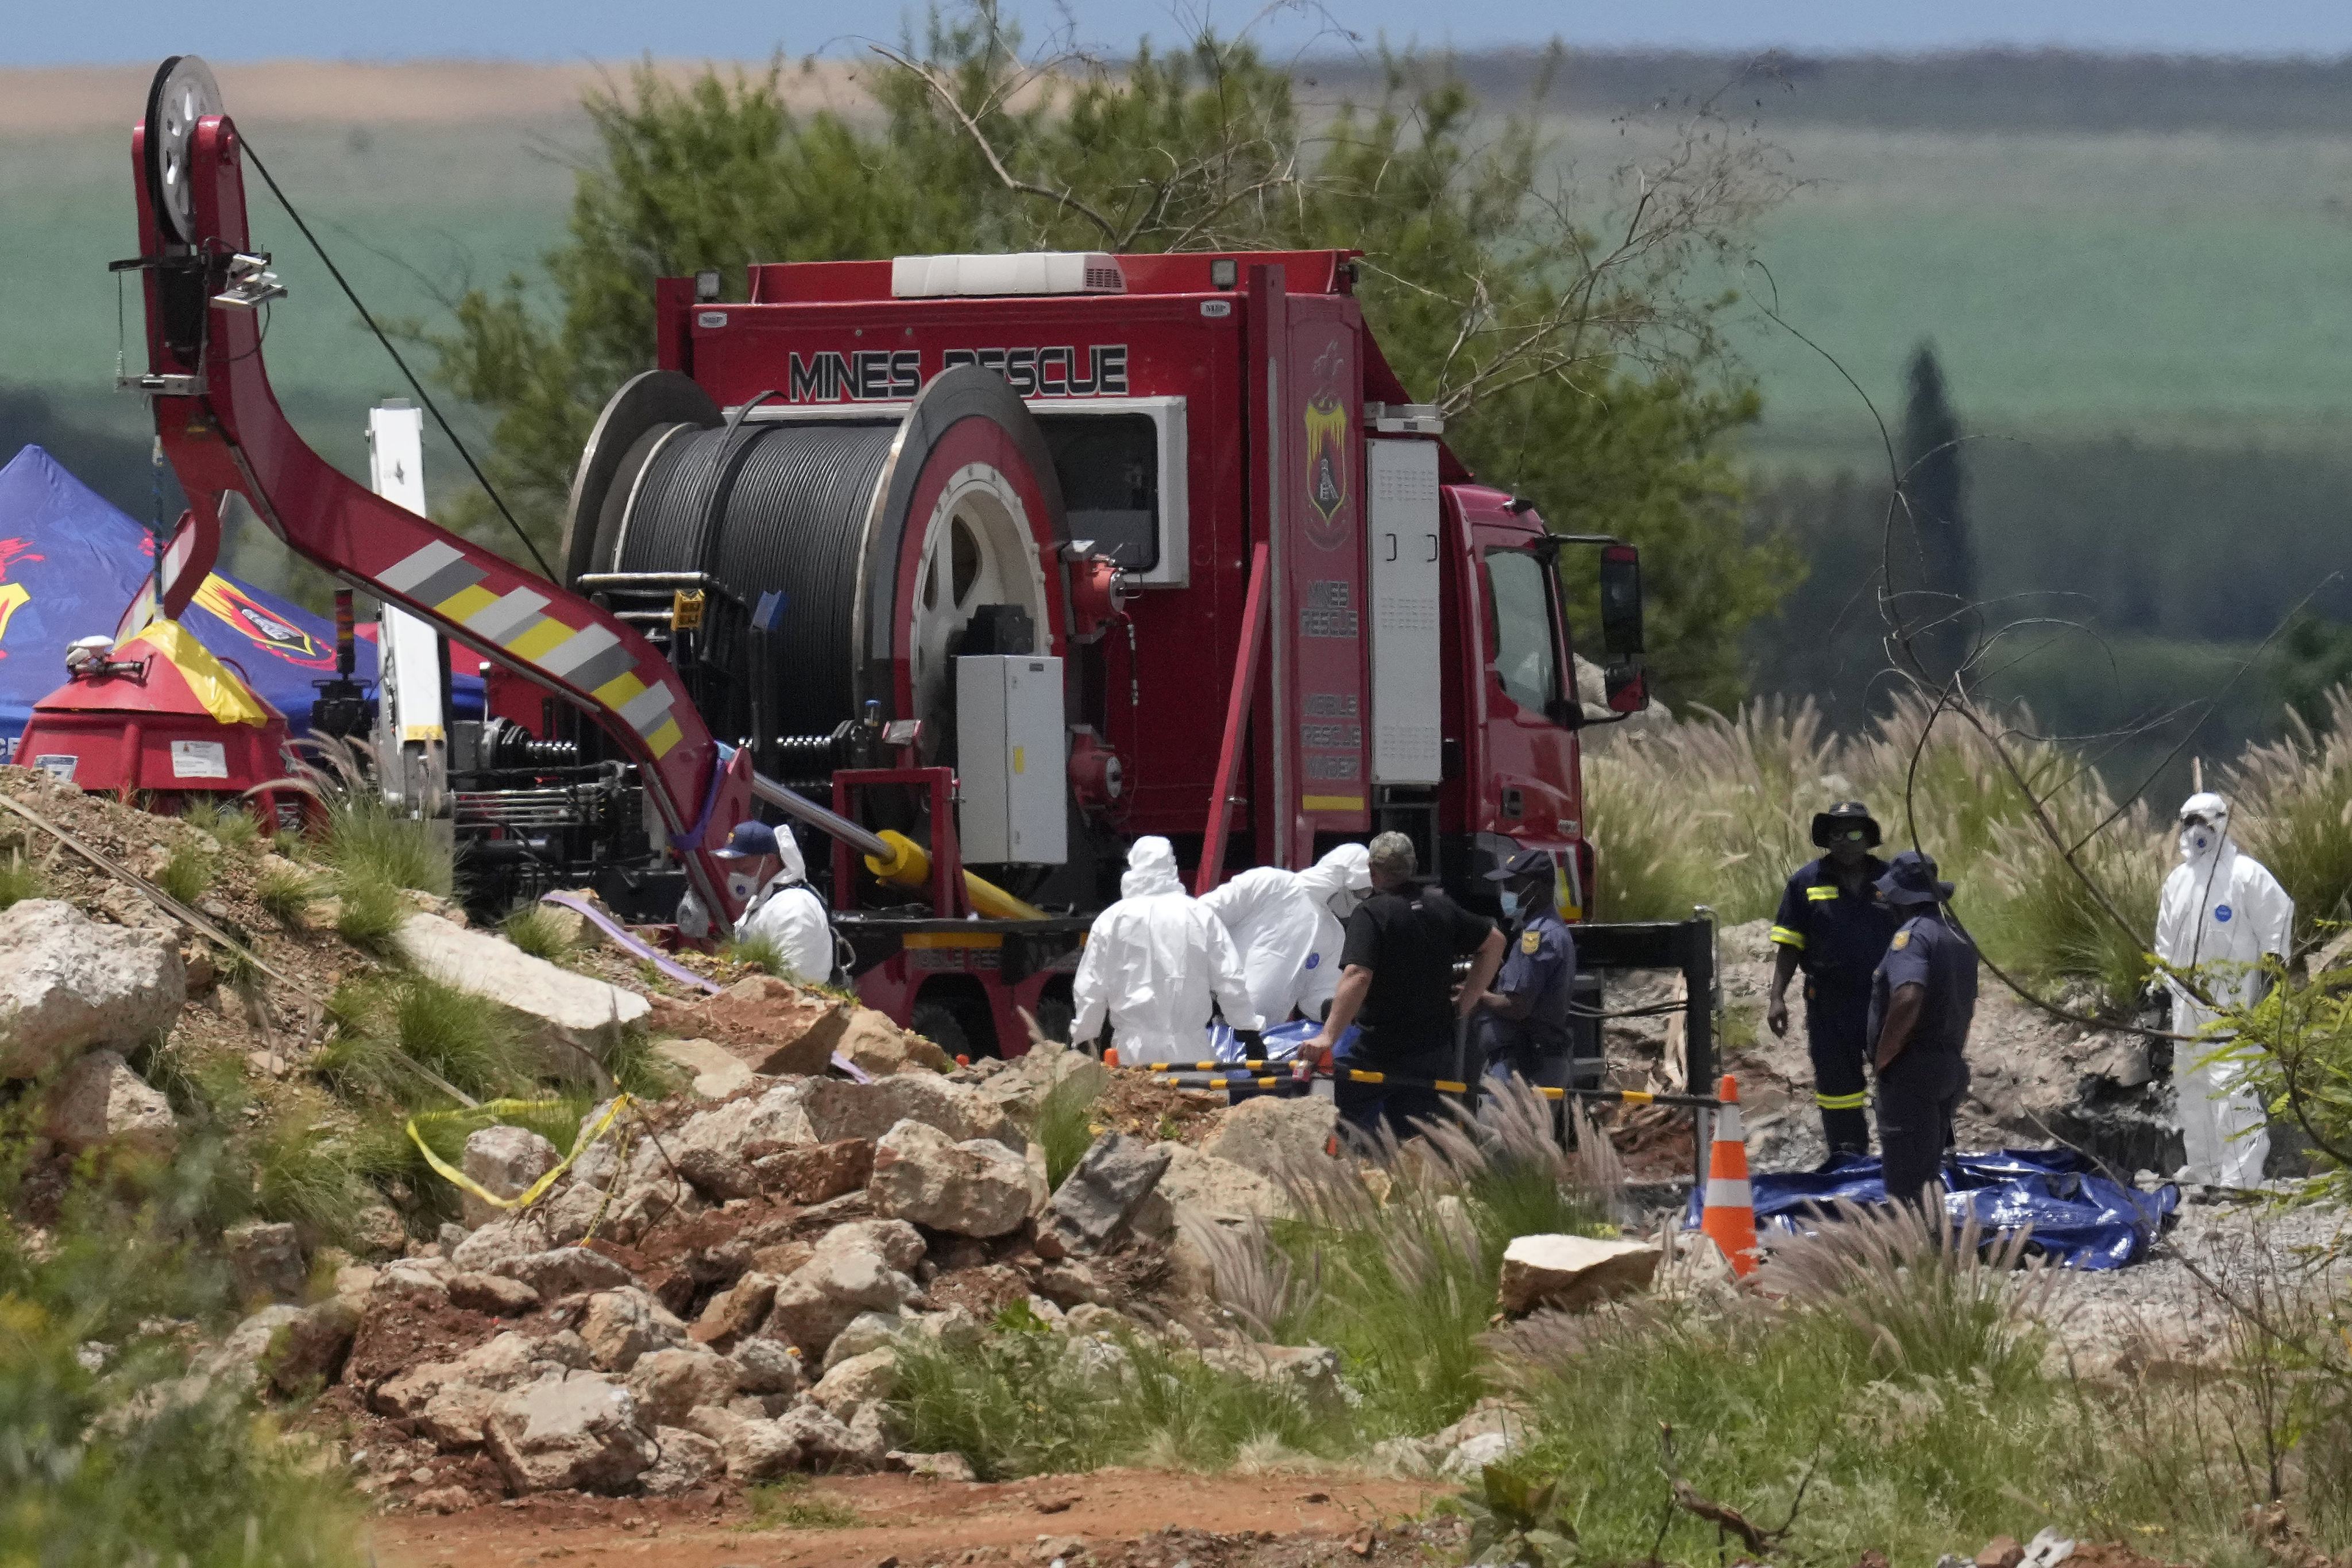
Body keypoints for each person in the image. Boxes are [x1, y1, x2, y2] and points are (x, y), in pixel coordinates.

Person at [1301, 831, 1507, 1138]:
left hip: (1381, 1049)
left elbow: (1358, 975)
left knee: (1338, 1121)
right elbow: (1495, 943)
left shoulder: (1372, 914)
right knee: (1419, 1142)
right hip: (1433, 1051)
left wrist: (1327, 1037)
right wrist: (1467, 999)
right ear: (1413, 866)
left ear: (1373, 870)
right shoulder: (1441, 907)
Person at [2154, 791, 2293, 1188]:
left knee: (2232, 1084)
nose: (2196, 830)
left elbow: (2277, 922)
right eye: (2188, 821)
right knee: (2191, 1083)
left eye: (2204, 820)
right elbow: (2164, 941)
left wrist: (2270, 976)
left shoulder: (2246, 875)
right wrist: (2162, 987)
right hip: (2186, 1003)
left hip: (2233, 1002)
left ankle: (2240, 1178)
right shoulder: (2177, 882)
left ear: (2221, 821)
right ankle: (2205, 1168)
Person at [1766, 801, 1902, 1156]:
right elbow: (1790, 945)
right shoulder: (1805, 882)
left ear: (1869, 838)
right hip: (1829, 1001)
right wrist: (1776, 997)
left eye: (1854, 832)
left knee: (1898, 1078)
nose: (1844, 841)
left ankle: (1906, 1159)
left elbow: (1916, 937)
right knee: (1837, 1087)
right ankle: (1847, 1158)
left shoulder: (1892, 881)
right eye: (1836, 834)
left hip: (1885, 1000)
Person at [1071, 836, 1264, 1064]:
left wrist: (1084, 1037)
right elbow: (1229, 979)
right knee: (1197, 1099)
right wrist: (1249, 1032)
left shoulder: (1112, 920)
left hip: (1132, 1054)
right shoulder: (1199, 915)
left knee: (1136, 1100)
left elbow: (1090, 987)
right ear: (1172, 867)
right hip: (1192, 1053)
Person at [1865, 849, 1978, 1207]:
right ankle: (1932, 1246)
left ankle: (1911, 1255)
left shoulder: (1911, 938)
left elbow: (1909, 996)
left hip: (1911, 1071)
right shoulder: (1956, 935)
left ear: (1901, 899)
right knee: (1928, 1171)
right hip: (1948, 1066)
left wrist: (1885, 1058)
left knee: (1906, 1183)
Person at [1200, 843, 1374, 1027]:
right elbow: (1204, 916)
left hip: (1262, 1035)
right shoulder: (1270, 883)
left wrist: (1342, 1009)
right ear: (1343, 878)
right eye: (1361, 893)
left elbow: (1318, 995)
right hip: (1208, 1016)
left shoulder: (1334, 934)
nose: (1359, 903)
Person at [1472, 848, 1577, 1090]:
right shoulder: (1548, 928)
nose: (1507, 893)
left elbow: (1517, 1007)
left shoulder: (1538, 935)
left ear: (1538, 887)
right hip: (1529, 1063)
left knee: (1501, 1130)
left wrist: (1477, 994)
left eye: (1514, 885)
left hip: (1526, 1067)